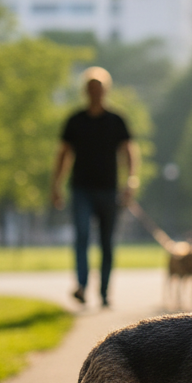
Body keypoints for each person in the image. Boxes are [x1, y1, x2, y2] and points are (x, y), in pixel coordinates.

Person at [51, 67, 138, 307]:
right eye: (90, 89)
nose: (95, 94)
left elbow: (129, 151)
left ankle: (104, 291)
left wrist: (131, 179)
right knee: (81, 235)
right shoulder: (75, 121)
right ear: (85, 92)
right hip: (81, 189)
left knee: (107, 242)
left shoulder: (116, 120)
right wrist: (56, 185)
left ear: (105, 91)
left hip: (109, 189)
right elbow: (64, 155)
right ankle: (81, 285)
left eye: (99, 89)